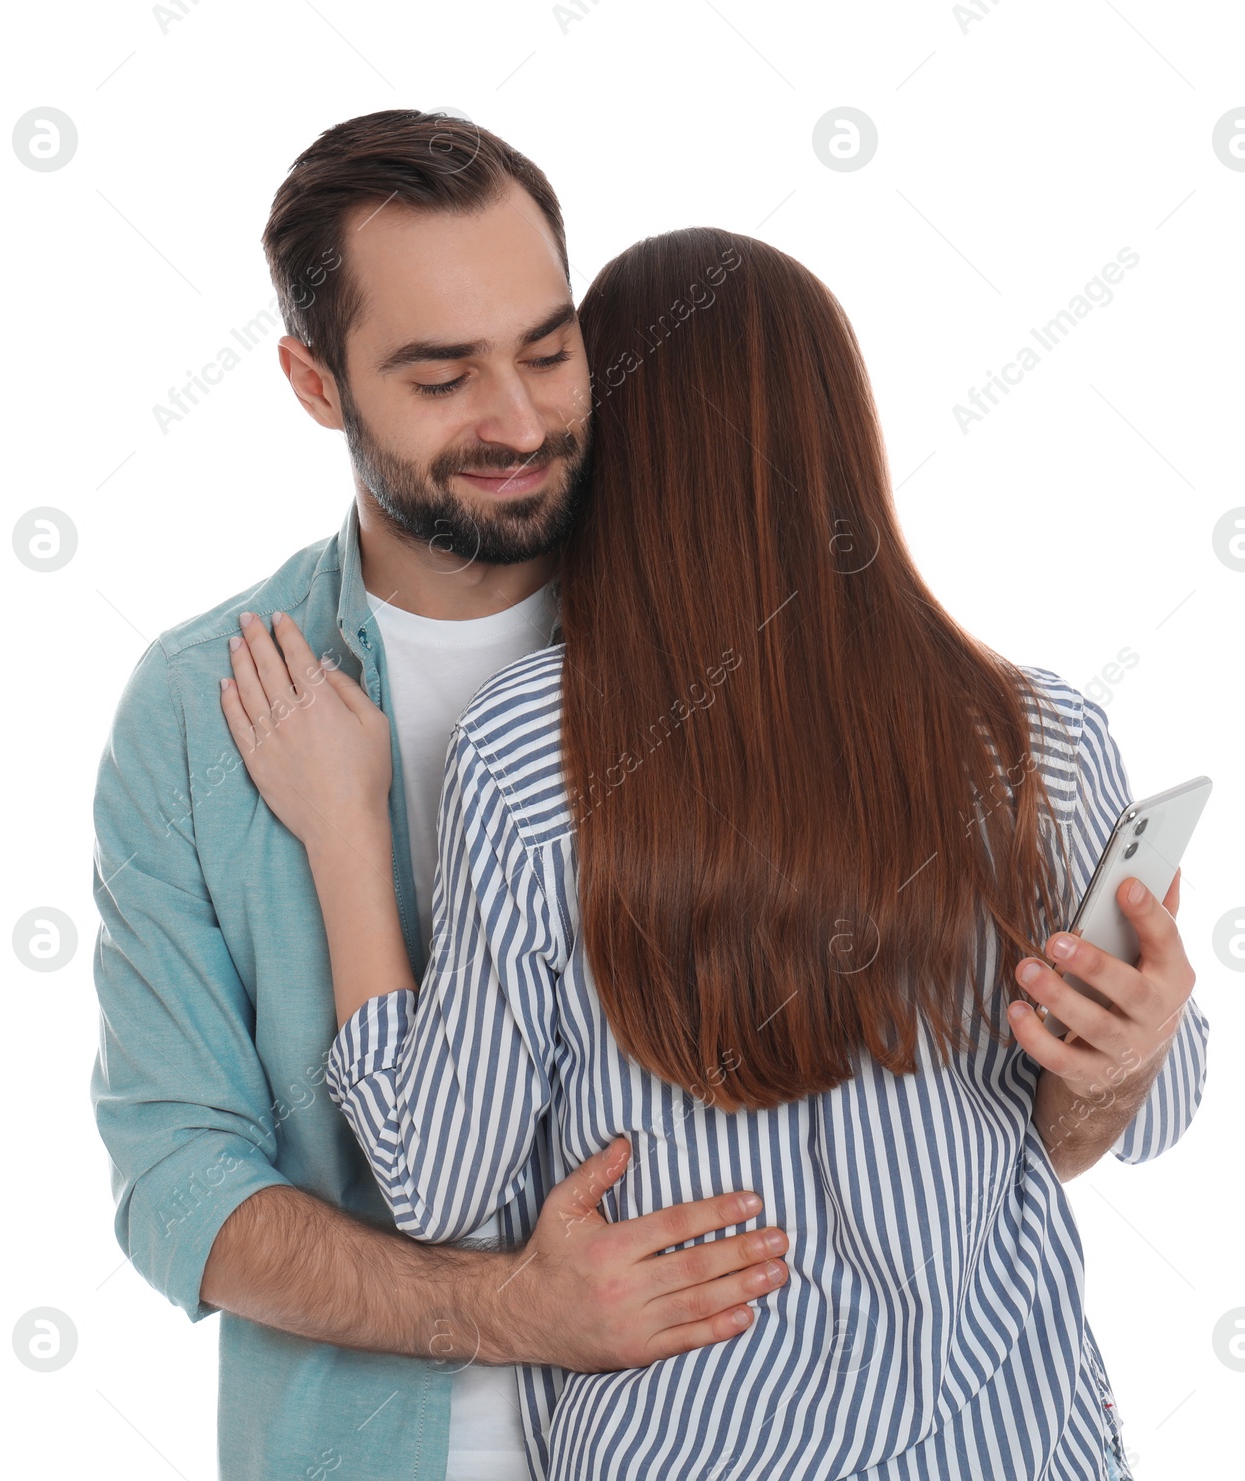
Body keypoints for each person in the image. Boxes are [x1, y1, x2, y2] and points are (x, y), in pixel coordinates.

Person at [218, 224, 1210, 1480]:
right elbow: (1146, 1113)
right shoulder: (1030, 735)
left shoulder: (529, 749)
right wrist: (1133, 1055)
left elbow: (439, 1176)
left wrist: (349, 835)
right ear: (845, 442)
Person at [89, 111, 792, 1481]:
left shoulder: (739, 646)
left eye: (547, 349)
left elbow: (907, 1109)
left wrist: (1099, 1074)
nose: (521, 420)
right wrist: (510, 1313)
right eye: (441, 377)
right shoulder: (193, 713)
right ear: (313, 380)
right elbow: (180, 1184)